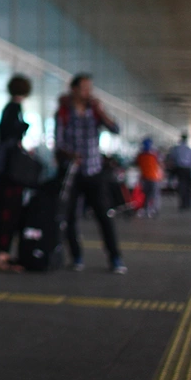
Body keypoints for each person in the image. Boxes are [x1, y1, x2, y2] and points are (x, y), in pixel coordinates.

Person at [54, 73, 126, 274]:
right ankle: (76, 256)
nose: (88, 92)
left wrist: (101, 112)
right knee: (69, 217)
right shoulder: (63, 112)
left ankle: (115, 257)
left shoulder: (94, 111)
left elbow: (116, 129)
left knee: (104, 216)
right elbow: (58, 142)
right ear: (74, 89)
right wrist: (69, 155)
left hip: (94, 172)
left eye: (90, 88)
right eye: (85, 88)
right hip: (72, 173)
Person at [0, 74, 31, 271]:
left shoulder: (10, 108)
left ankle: (3, 253)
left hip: (5, 170)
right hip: (9, 171)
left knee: (6, 211)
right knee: (8, 211)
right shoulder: (14, 108)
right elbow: (9, 132)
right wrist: (24, 127)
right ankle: (3, 255)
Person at [168, 133, 191, 210]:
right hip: (188, 169)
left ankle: (182, 203)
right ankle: (188, 203)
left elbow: (171, 159)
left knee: (181, 186)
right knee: (189, 187)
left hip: (179, 169)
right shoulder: (190, 149)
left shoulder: (176, 149)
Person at [134, 138, 163, 218]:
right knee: (154, 194)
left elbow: (136, 164)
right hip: (154, 177)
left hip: (145, 178)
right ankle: (154, 209)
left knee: (146, 194)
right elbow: (160, 164)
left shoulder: (140, 155)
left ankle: (147, 209)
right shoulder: (155, 154)